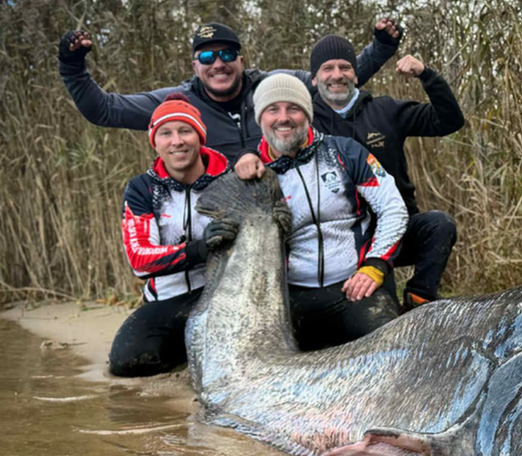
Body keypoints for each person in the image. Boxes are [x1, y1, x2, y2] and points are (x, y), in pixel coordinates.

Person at [238, 35, 464, 311]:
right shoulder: (303, 120)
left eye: (345, 67)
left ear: (356, 75)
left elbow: (450, 121)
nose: (337, 75)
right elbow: (271, 134)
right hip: (343, 237)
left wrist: (426, 75)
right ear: (313, 79)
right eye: (327, 68)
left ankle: (419, 299)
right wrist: (247, 154)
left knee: (439, 225)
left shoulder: (386, 110)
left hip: (390, 225)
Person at [57, 21, 402, 162]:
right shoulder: (178, 102)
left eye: (226, 54)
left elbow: (333, 82)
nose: (218, 63)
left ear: (241, 59)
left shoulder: (274, 86)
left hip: (286, 208)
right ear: (195, 66)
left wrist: (382, 46)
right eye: (207, 56)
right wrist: (73, 66)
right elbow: (103, 111)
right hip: (220, 218)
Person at [249, 73, 409, 349]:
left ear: (308, 114)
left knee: (390, 347)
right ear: (260, 118)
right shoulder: (251, 174)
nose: (283, 118)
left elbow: (393, 207)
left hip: (353, 286)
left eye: (294, 108)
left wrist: (375, 265)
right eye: (272, 109)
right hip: (290, 296)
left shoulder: (345, 151)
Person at [108, 93, 235, 377]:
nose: (176, 141)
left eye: (185, 131)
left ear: (200, 137)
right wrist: (199, 249)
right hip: (166, 300)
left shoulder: (228, 180)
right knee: (126, 361)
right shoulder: (142, 188)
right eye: (165, 133)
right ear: (155, 143)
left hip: (219, 297)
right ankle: (184, 355)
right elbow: (139, 259)